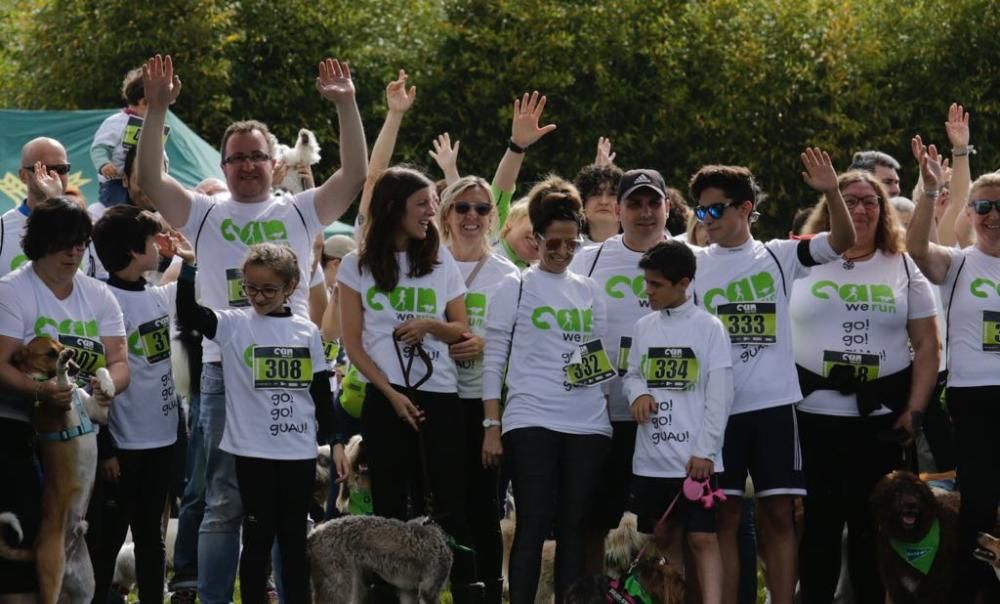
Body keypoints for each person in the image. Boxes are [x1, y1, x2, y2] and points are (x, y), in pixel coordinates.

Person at [135, 53, 366, 604]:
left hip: (290, 374)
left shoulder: (301, 209)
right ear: (223, 163)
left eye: (256, 156)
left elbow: (355, 175)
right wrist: (158, 110)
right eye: (235, 158)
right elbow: (148, 178)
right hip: (222, 375)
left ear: (274, 162)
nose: (245, 166)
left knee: (292, 509)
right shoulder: (203, 212)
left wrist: (348, 105)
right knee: (221, 503)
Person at [688, 149, 855, 604]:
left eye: (715, 208)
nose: (706, 218)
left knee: (780, 516)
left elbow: (842, 239)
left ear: (745, 209)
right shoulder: (693, 261)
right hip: (717, 411)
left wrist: (832, 191)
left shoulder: (781, 256)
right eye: (699, 210)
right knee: (723, 518)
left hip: (774, 407)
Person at [792, 170, 939, 603]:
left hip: (879, 421)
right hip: (812, 418)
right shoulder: (801, 260)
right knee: (817, 527)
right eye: (849, 200)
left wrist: (915, 409)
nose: (859, 209)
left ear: (883, 210)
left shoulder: (903, 264)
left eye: (869, 201)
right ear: (831, 207)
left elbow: (928, 343)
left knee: (870, 529)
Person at [337, 167, 482, 601]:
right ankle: (389, 590)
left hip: (439, 395)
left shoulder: (442, 264)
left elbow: (462, 328)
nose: (430, 214)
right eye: (422, 205)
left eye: (432, 206)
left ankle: (453, 587)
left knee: (446, 500)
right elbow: (352, 342)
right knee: (388, 506)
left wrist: (429, 326)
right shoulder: (354, 266)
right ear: (392, 207)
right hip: (386, 399)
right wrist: (391, 395)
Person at [175, 241, 344, 604]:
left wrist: (337, 442)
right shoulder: (234, 324)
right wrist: (189, 268)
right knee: (257, 537)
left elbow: (319, 395)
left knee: (294, 537)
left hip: (297, 452)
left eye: (269, 289)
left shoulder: (306, 332)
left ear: (290, 288)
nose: (258, 296)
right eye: (251, 287)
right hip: (252, 452)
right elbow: (189, 314)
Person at [482, 177, 611, 601]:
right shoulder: (515, 286)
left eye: (571, 244)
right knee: (533, 521)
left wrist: (594, 373)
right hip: (531, 417)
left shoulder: (590, 290)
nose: (562, 253)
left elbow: (601, 358)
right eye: (553, 243)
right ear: (535, 239)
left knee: (574, 524)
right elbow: (494, 360)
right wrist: (491, 424)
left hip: (587, 421)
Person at [0, 197, 128, 602]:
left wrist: (108, 386)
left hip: (82, 436)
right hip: (17, 432)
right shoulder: (12, 291)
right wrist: (39, 391)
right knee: (25, 546)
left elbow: (120, 361)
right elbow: (1, 363)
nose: (75, 252)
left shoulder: (99, 295)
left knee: (80, 539)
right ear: (41, 242)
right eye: (65, 243)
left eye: (81, 243)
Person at [906, 139, 1000, 604]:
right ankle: (972, 593)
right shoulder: (960, 263)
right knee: (979, 504)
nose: (993, 215)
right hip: (976, 396)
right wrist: (928, 192)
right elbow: (916, 247)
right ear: (970, 212)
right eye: (982, 206)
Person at [569, 169, 672, 573]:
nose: (645, 213)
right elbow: (569, 329)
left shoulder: (689, 258)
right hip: (602, 415)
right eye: (635, 203)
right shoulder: (588, 258)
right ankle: (591, 594)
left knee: (663, 523)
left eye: (653, 203)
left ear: (667, 206)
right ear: (618, 209)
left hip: (665, 418)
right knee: (596, 519)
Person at [624, 240, 733, 604]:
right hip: (651, 459)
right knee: (664, 537)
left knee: (703, 538)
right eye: (647, 282)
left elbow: (721, 395)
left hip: (695, 460)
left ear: (683, 283)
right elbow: (633, 373)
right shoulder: (643, 327)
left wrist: (705, 451)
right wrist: (637, 393)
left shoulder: (710, 328)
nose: (648, 291)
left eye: (656, 284)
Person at [90, 205, 180, 603]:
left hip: (162, 439)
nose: (159, 246)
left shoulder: (154, 295)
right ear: (132, 251)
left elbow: (184, 288)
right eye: (151, 241)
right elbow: (100, 383)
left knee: (151, 536)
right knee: (107, 537)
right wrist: (106, 446)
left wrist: (186, 260)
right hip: (122, 447)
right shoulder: (103, 301)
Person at [438, 175, 520, 603]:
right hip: (436, 398)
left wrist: (486, 343)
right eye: (463, 208)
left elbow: (526, 340)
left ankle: (488, 591)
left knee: (485, 508)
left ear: (493, 218)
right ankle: (451, 588)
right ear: (446, 213)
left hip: (486, 405)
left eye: (483, 209)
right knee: (443, 506)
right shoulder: (427, 264)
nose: (472, 216)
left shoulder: (507, 274)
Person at [90, 65, 165, 208]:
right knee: (123, 212)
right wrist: (104, 164)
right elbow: (99, 148)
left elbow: (161, 154)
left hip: (145, 182)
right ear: (144, 102)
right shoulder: (115, 122)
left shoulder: (154, 125)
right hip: (116, 182)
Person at [1, 138, 71, 278]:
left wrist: (55, 200)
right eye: (43, 170)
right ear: (23, 176)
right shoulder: (3, 230)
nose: (54, 177)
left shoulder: (86, 230)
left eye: (62, 169)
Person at [573, 163, 623, 245]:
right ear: (582, 201)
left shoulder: (641, 249)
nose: (604, 202)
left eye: (612, 194)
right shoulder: (567, 250)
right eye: (596, 194)